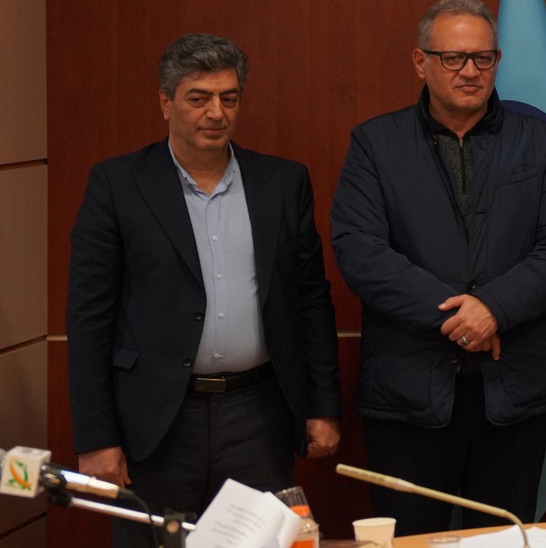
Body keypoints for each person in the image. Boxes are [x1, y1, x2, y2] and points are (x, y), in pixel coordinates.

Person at [66, 34, 342, 546]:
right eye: (199, 98)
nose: (216, 113)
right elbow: (89, 319)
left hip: (258, 415)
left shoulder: (282, 183)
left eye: (228, 98)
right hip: (157, 421)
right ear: (166, 102)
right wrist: (97, 437)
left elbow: (310, 299)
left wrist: (321, 405)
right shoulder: (118, 185)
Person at [331, 0, 546, 533]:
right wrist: (460, 317)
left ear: (497, 61)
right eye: (453, 58)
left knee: (505, 540)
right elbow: (360, 252)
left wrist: (493, 309)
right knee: (411, 541)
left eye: (483, 58)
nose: (470, 71)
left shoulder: (539, 140)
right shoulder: (375, 143)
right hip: (408, 394)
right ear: (420, 62)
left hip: (512, 392)